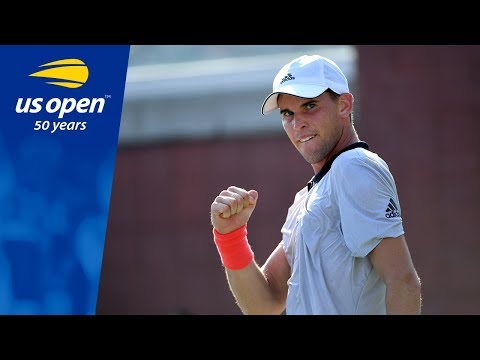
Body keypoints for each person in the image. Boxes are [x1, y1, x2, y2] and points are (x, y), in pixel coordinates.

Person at [210, 54, 422, 315]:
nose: (298, 124)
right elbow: (263, 305)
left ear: (344, 105)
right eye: (288, 113)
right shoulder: (308, 196)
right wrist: (230, 235)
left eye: (310, 106)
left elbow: (402, 281)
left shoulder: (354, 166)